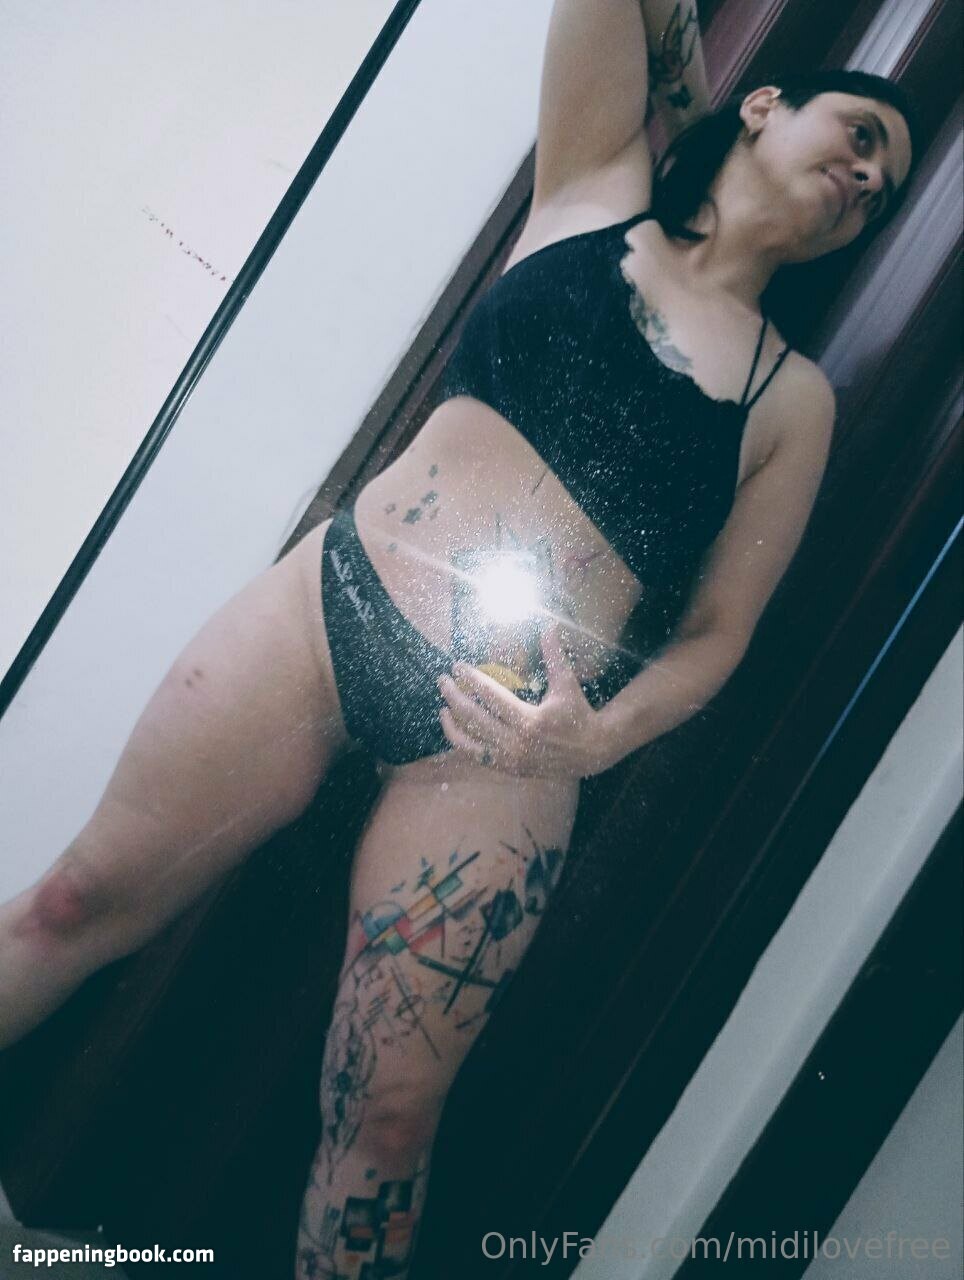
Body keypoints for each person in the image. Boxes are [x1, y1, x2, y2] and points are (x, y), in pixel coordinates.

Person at [0, 2, 917, 1276]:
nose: (866, 177)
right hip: (330, 614)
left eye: (885, 187)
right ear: (768, 106)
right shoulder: (597, 186)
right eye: (862, 134)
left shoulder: (789, 397)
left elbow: (719, 636)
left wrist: (596, 737)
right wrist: (692, 98)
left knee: (385, 1118)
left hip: (506, 743)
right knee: (75, 898)